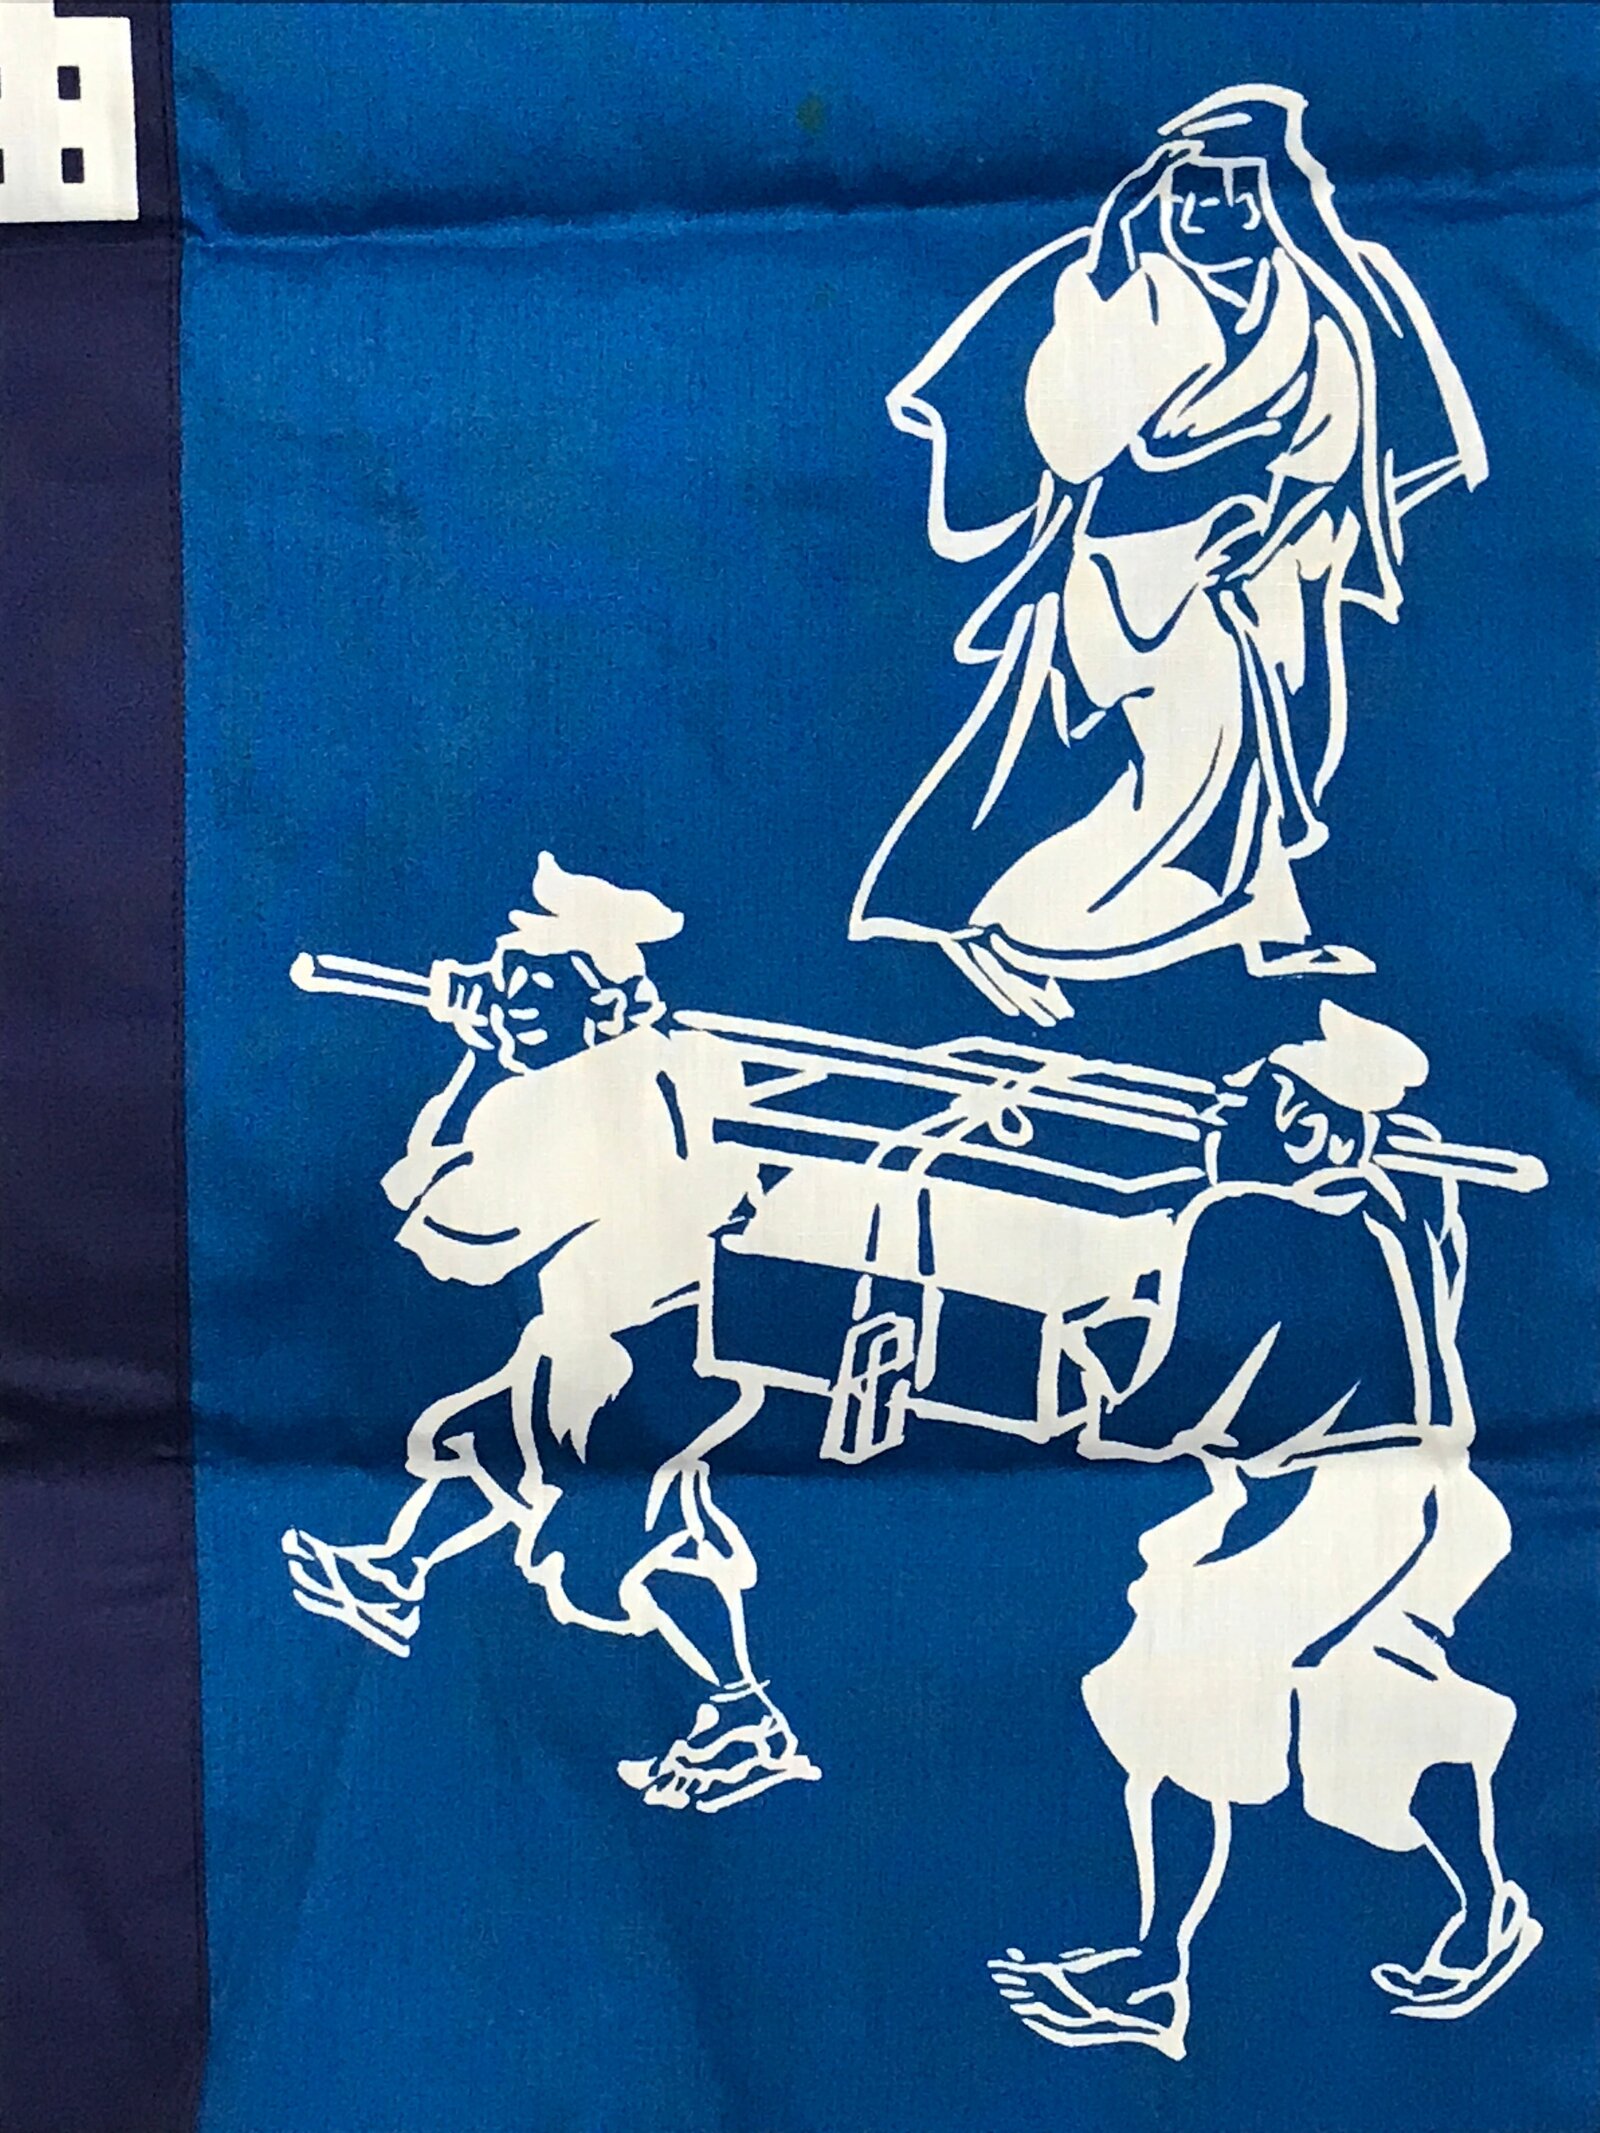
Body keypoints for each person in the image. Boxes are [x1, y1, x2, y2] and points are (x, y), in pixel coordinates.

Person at [852, 85, 1487, 1024]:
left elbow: (1326, 446)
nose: (1212, 212)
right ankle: (1015, 927)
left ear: (1275, 201)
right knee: (1187, 765)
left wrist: (1268, 534)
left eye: (1238, 192)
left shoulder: (1313, 316)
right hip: (1125, 570)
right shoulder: (1136, 297)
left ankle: (1270, 926)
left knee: (1264, 753)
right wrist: (1107, 285)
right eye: (1193, 190)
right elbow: (1073, 445)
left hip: (1254, 567)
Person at [989, 1000, 1540, 2057]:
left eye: (1242, 1103)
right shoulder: (1413, 1214)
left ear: (1302, 1126)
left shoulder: (1243, 1217)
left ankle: (1154, 1971)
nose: (1216, 1119)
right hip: (1439, 1503)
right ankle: (1485, 1910)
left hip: (1331, 1504)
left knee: (1175, 1686)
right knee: (1373, 1692)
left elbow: (1176, 1401)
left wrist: (1085, 1398)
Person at [283, 855, 821, 1814]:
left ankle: (745, 1712)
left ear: (602, 1001)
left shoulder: (549, 1103)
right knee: (470, 1438)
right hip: (679, 1337)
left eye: (530, 982)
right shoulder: (697, 1055)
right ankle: (398, 1574)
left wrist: (475, 1065)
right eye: (503, 973)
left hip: (621, 1360)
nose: (504, 997)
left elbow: (445, 1235)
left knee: (635, 1552)